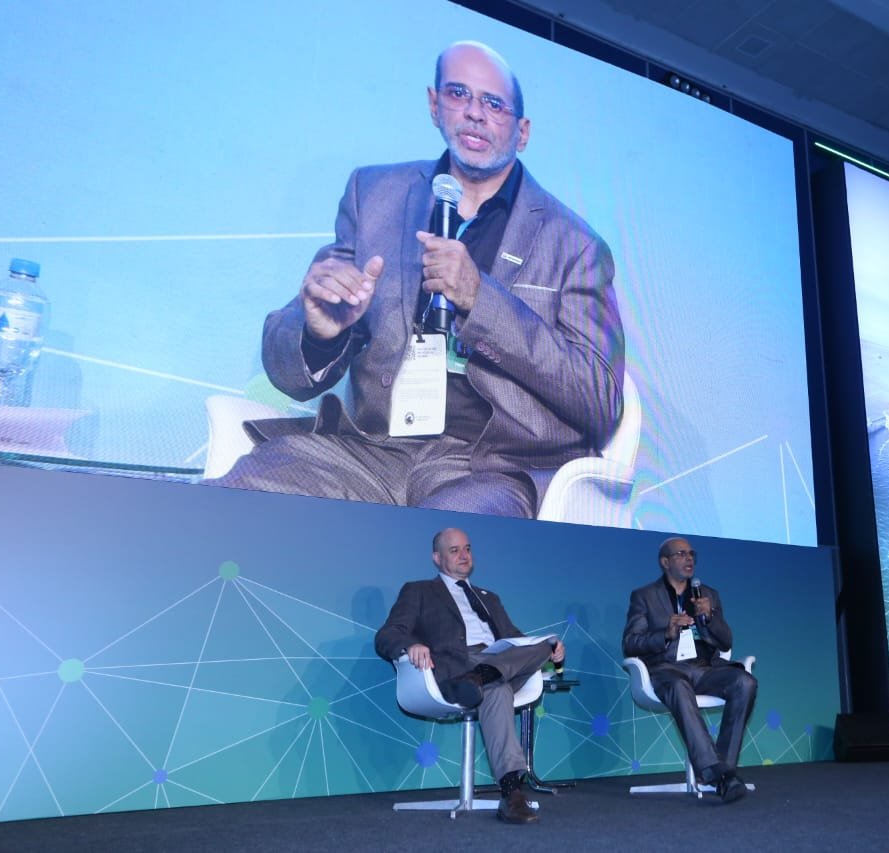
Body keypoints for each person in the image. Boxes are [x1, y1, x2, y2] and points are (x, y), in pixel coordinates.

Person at [212, 41, 624, 518]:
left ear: (522, 131)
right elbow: (288, 373)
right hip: (374, 450)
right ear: (434, 105)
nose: (474, 114)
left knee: (440, 547)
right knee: (241, 496)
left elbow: (599, 399)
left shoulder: (574, 243)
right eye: (458, 94)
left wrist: (481, 299)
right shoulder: (375, 195)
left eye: (493, 104)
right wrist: (320, 334)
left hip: (491, 469)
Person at [375, 527, 565, 824]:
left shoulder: (491, 597)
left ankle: (482, 676)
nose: (464, 555)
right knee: (498, 690)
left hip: (495, 662)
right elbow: (387, 635)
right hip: (455, 667)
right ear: (437, 558)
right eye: (454, 550)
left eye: (467, 548)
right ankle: (512, 793)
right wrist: (410, 644)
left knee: (544, 643)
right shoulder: (419, 591)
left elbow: (516, 638)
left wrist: (550, 649)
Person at [622, 536, 757, 803]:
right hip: (666, 669)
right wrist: (666, 633)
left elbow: (726, 641)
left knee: (745, 683)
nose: (689, 559)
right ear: (664, 562)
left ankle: (723, 772)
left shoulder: (708, 594)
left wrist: (710, 617)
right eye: (681, 554)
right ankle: (719, 775)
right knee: (678, 686)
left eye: (691, 554)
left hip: (705, 668)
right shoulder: (645, 597)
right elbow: (630, 644)